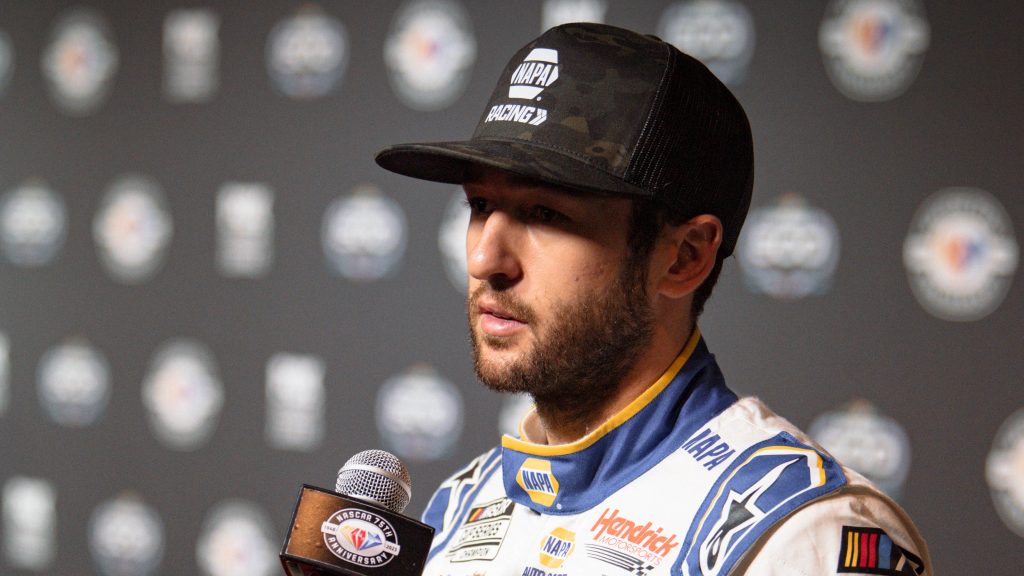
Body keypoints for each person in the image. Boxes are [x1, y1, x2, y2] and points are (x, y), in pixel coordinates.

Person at [375, 22, 931, 576]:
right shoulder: (459, 509)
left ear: (685, 257)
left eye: (545, 214)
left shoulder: (801, 535)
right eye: (480, 206)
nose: (483, 260)